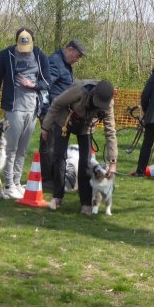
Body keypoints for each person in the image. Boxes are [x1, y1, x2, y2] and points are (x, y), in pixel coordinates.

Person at [0, 27, 51, 199]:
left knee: (23, 149)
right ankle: (9, 184)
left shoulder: (40, 55)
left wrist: (32, 85)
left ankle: (17, 183)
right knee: (11, 148)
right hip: (13, 108)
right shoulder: (6, 55)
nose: (25, 52)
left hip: (32, 108)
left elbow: (47, 81)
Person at [41, 80, 117, 214]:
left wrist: (112, 161)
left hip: (86, 127)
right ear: (93, 94)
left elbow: (110, 132)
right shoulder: (79, 91)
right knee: (59, 158)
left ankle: (86, 203)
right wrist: (45, 127)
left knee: (86, 163)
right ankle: (57, 197)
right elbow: (56, 103)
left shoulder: (108, 103)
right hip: (64, 121)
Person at [39, 39, 87, 189]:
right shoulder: (55, 62)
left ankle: (55, 178)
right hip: (52, 113)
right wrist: (46, 113)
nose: (78, 60)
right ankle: (48, 180)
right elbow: (45, 86)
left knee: (55, 145)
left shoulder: (64, 64)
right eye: (77, 56)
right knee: (49, 146)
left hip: (60, 113)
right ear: (69, 49)